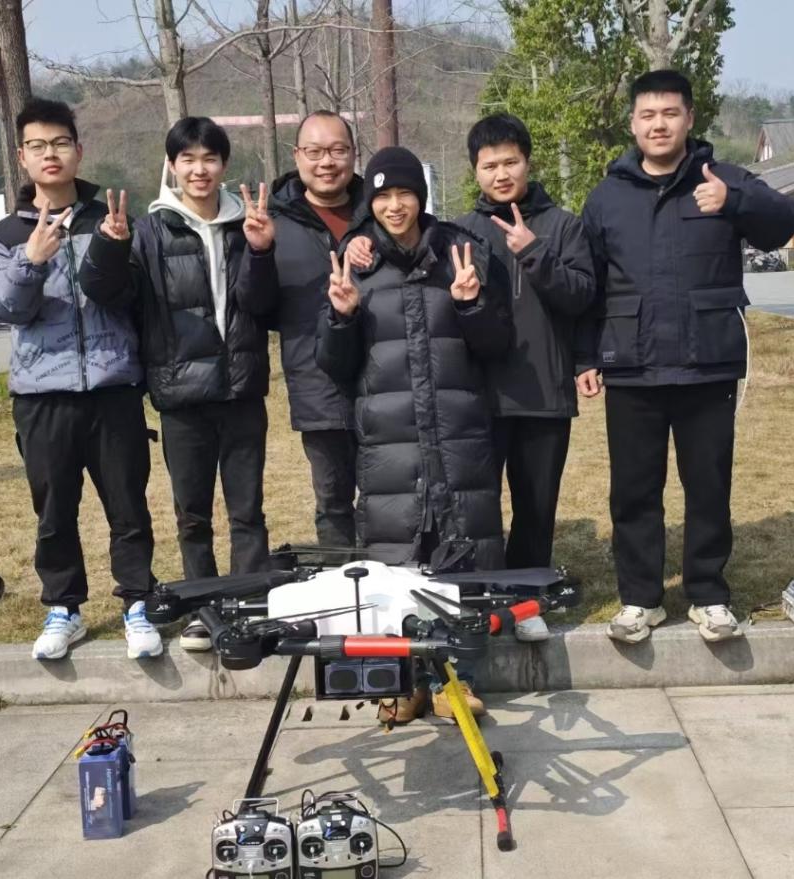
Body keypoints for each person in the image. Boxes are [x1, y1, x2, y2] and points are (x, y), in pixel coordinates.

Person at [347, 114, 596, 643]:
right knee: (472, 511)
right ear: (474, 171)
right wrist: (355, 240)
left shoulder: (563, 226)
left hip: (542, 391)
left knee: (535, 507)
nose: (501, 174)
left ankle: (524, 603)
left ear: (528, 162)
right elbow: (396, 249)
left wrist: (534, 251)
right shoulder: (458, 233)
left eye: (510, 162)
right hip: (474, 397)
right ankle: (479, 597)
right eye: (489, 165)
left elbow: (582, 298)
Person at [575, 70, 794, 643]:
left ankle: (708, 594)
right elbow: (589, 285)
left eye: (670, 113)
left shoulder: (722, 179)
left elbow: (784, 223)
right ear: (633, 123)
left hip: (708, 362)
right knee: (633, 490)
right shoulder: (606, 198)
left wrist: (734, 201)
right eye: (648, 115)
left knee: (708, 485)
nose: (659, 124)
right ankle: (640, 599)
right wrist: (585, 357)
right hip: (632, 365)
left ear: (690, 119)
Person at [316, 146, 509, 723]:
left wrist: (471, 306)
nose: (394, 206)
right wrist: (342, 317)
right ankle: (404, 683)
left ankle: (457, 681)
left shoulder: (460, 254)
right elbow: (334, 364)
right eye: (382, 197)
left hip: (456, 433)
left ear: (420, 198)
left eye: (404, 194)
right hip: (389, 438)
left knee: (459, 558)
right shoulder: (356, 263)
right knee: (396, 563)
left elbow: (496, 345)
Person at [80, 117, 270, 652]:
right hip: (182, 395)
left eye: (209, 158)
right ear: (171, 166)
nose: (199, 169)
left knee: (248, 509)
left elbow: (262, 303)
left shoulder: (245, 224)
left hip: (241, 389)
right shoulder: (147, 231)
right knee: (193, 514)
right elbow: (106, 293)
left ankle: (249, 603)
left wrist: (261, 251)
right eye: (187, 159)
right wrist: (109, 246)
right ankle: (202, 609)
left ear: (224, 165)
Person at [0, 97, 161, 662]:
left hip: (112, 389)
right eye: (38, 145)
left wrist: (114, 248)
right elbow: (4, 308)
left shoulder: (110, 219)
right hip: (42, 397)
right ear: (22, 157)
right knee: (54, 511)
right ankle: (64, 607)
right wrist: (31, 260)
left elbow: (133, 298)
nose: (50, 154)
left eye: (60, 143)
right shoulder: (3, 235)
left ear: (79, 150)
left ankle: (137, 601)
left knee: (128, 507)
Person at [236, 110, 365, 548]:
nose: (326, 162)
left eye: (337, 150)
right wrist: (258, 252)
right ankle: (342, 580)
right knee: (333, 501)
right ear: (297, 156)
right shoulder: (275, 219)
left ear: (353, 154)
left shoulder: (378, 209)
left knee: (391, 495)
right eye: (315, 151)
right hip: (318, 384)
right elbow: (255, 307)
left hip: (385, 380)